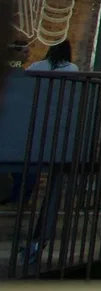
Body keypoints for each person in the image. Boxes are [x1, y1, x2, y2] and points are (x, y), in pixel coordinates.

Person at [2, 41, 77, 206]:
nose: (27, 55)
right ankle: (23, 196)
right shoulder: (72, 69)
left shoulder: (36, 67)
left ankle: (16, 194)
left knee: (20, 156)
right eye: (25, 53)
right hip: (51, 118)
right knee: (35, 157)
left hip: (28, 115)